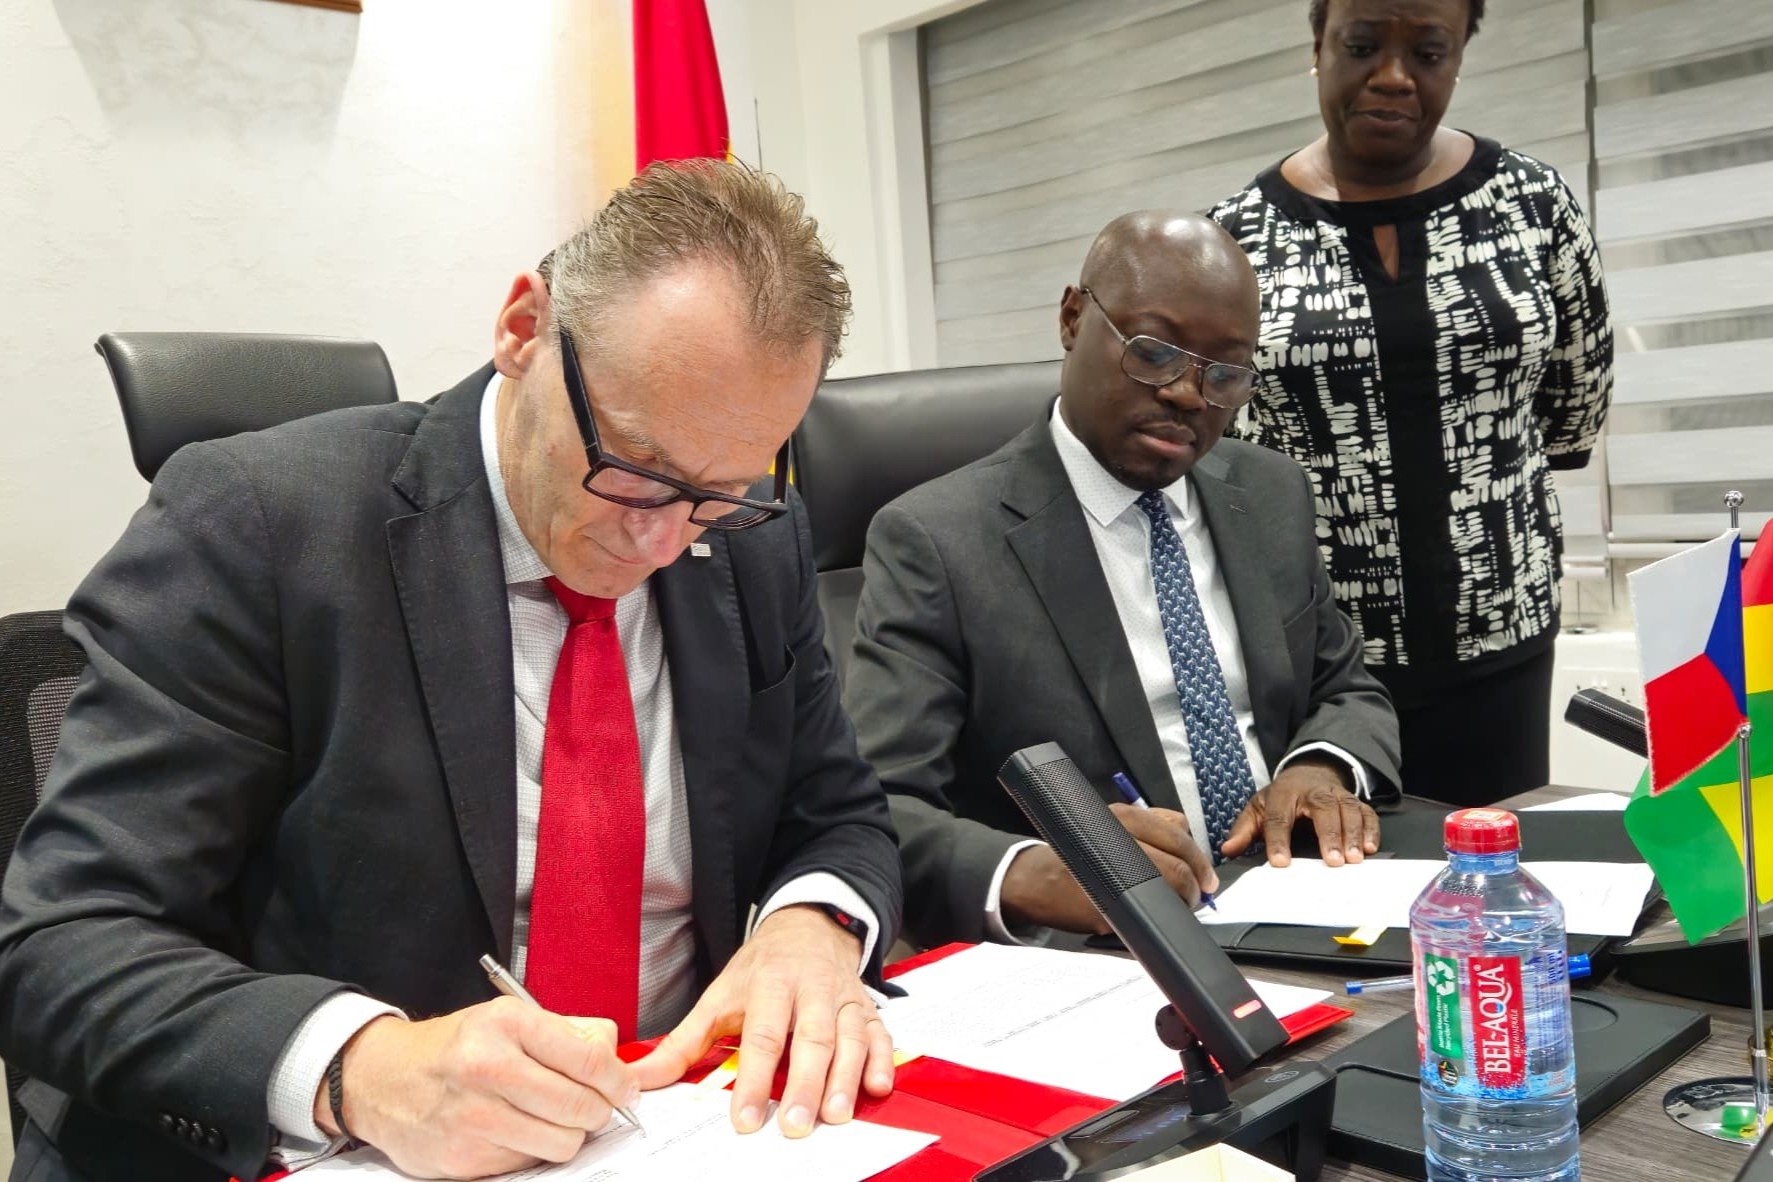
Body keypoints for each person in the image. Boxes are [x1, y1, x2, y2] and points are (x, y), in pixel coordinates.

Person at [0, 161, 903, 1182]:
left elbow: (839, 813)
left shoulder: (751, 541)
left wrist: (811, 929)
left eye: (721, 491)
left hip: (679, 1134)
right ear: (523, 329)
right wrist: (360, 1067)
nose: (662, 540)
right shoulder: (257, 524)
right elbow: (62, 944)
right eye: (635, 467)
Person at [844, 211, 1401, 950]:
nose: (1188, 395)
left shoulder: (1269, 492)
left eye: (1224, 373)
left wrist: (1319, 766)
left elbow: (1346, 688)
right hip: (1103, 947)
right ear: (1073, 319)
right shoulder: (937, 540)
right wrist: (1032, 871)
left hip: (1299, 902)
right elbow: (879, 804)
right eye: (1155, 353)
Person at [1209, 0, 1613, 806]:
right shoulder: (1237, 238)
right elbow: (1226, 459)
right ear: (1317, 44)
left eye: (1427, 53)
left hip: (1501, 641)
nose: (1392, 78)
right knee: (1334, 878)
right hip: (1320, 665)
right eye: (1361, 45)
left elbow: (1574, 407)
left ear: (1457, 57)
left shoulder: (1533, 204)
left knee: (1497, 866)